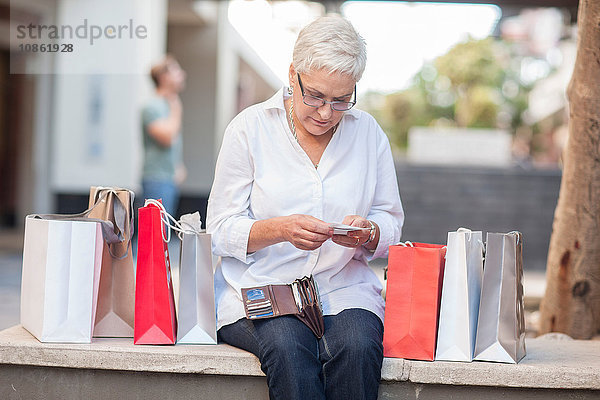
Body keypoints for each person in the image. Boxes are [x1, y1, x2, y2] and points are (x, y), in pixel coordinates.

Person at [207, 15, 404, 400]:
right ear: (292, 73)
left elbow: (390, 220)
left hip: (343, 287)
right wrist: (278, 229)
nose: (327, 112)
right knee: (288, 347)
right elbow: (219, 228)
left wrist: (369, 231)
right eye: (314, 95)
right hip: (262, 286)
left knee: (359, 347)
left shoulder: (368, 134)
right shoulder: (250, 129)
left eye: (341, 99)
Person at [141, 55, 187, 216]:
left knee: (163, 233)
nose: (182, 75)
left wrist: (178, 166)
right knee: (154, 234)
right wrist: (176, 109)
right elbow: (167, 138)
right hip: (156, 179)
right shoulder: (152, 106)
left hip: (168, 179)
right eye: (176, 71)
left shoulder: (169, 105)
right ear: (163, 77)